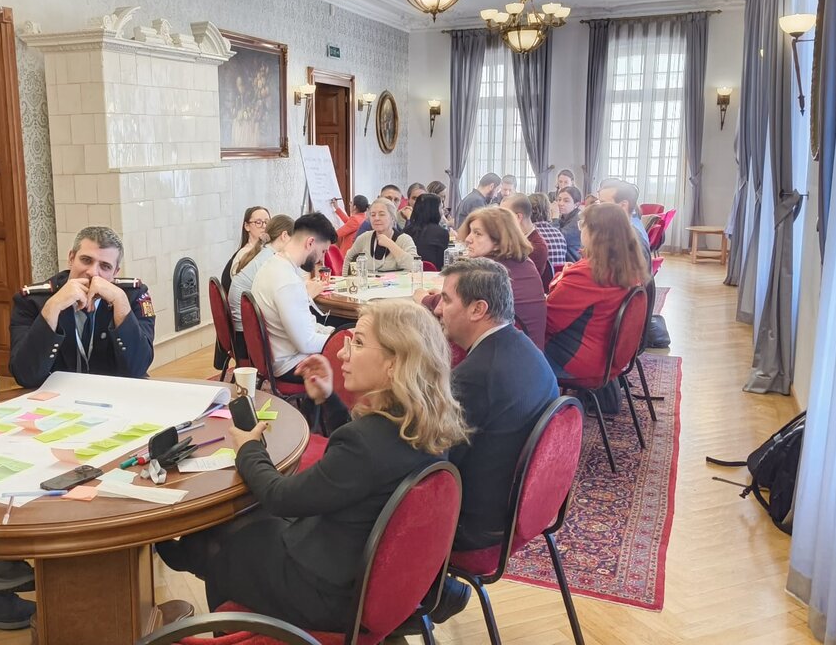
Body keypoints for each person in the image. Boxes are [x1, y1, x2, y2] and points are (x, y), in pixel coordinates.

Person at [156, 299, 469, 632]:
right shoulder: (426, 426)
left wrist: (248, 448)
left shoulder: (365, 442)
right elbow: (364, 467)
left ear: (394, 364)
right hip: (363, 577)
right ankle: (192, 558)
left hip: (325, 595)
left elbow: (280, 497)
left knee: (220, 541)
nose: (343, 353)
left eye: (358, 342)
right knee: (238, 524)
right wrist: (328, 399)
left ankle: (195, 583)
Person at [427, 257, 558, 621]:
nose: (437, 309)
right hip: (521, 508)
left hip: (477, 526)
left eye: (446, 299)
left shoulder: (476, 375)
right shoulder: (522, 347)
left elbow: (434, 461)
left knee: (377, 497)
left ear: (478, 309)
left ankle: (406, 606)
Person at [9, 226, 156, 388]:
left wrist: (120, 303)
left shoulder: (133, 296)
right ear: (71, 258)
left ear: (115, 272)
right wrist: (52, 307)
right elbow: (25, 375)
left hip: (114, 394)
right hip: (57, 396)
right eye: (86, 260)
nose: (93, 272)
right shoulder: (32, 300)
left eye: (105, 266)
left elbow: (137, 368)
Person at [545, 203, 650, 380]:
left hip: (579, 360)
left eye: (582, 225)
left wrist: (560, 281)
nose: (580, 230)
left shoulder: (589, 273)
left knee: (515, 352)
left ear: (595, 233)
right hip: (608, 355)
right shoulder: (629, 265)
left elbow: (548, 321)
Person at [250, 213, 338, 380]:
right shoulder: (287, 281)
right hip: (291, 364)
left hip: (280, 356)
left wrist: (334, 332)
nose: (321, 259)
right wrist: (343, 339)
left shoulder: (273, 264)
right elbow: (307, 343)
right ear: (310, 242)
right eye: (323, 251)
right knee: (357, 362)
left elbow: (306, 327)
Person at [457, 207, 547, 349]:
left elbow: (456, 311)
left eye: (477, 233)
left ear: (498, 241)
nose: (468, 239)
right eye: (470, 231)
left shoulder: (488, 272)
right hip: (532, 352)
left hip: (504, 354)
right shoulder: (527, 263)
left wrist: (426, 299)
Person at [228, 215, 295, 361]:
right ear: (284, 236)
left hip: (241, 333)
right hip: (248, 339)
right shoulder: (270, 259)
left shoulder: (264, 252)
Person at [343, 198, 418, 275]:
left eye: (382, 214)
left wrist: (390, 244)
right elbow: (348, 257)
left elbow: (415, 266)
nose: (376, 218)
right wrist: (345, 278)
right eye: (373, 215)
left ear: (392, 218)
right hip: (369, 282)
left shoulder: (404, 239)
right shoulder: (364, 237)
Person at [498, 194, 552, 291]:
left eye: (503, 216)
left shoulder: (537, 247)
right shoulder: (511, 237)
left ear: (518, 217)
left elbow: (510, 278)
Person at [597, 178, 652, 257]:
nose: (597, 208)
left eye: (603, 203)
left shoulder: (631, 244)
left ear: (623, 205)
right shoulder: (620, 232)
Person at [223, 206, 270, 294]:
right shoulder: (244, 254)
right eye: (258, 222)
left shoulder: (266, 251)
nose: (264, 226)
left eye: (267, 222)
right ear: (247, 226)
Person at [404, 193, 451, 271]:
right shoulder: (442, 233)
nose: (442, 212)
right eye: (441, 208)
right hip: (434, 274)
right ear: (435, 211)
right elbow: (443, 264)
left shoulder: (406, 231)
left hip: (409, 274)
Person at [526, 193, 568, 270]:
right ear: (549, 210)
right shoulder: (560, 235)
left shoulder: (530, 236)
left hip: (538, 276)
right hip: (558, 277)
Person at [555, 185, 584, 262]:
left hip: (574, 263)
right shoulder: (563, 217)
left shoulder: (579, 220)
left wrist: (554, 219)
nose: (560, 203)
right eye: (559, 200)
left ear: (576, 204)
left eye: (566, 201)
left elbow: (557, 239)